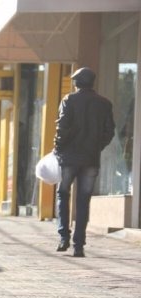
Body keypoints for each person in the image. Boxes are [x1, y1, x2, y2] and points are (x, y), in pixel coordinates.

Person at [53, 67, 115, 258]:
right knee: (83, 200)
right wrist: (97, 147)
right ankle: (79, 245)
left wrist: (58, 147)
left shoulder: (69, 100)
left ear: (77, 83)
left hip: (69, 156)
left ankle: (64, 237)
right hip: (91, 158)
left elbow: (62, 126)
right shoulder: (104, 104)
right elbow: (109, 131)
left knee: (63, 193)